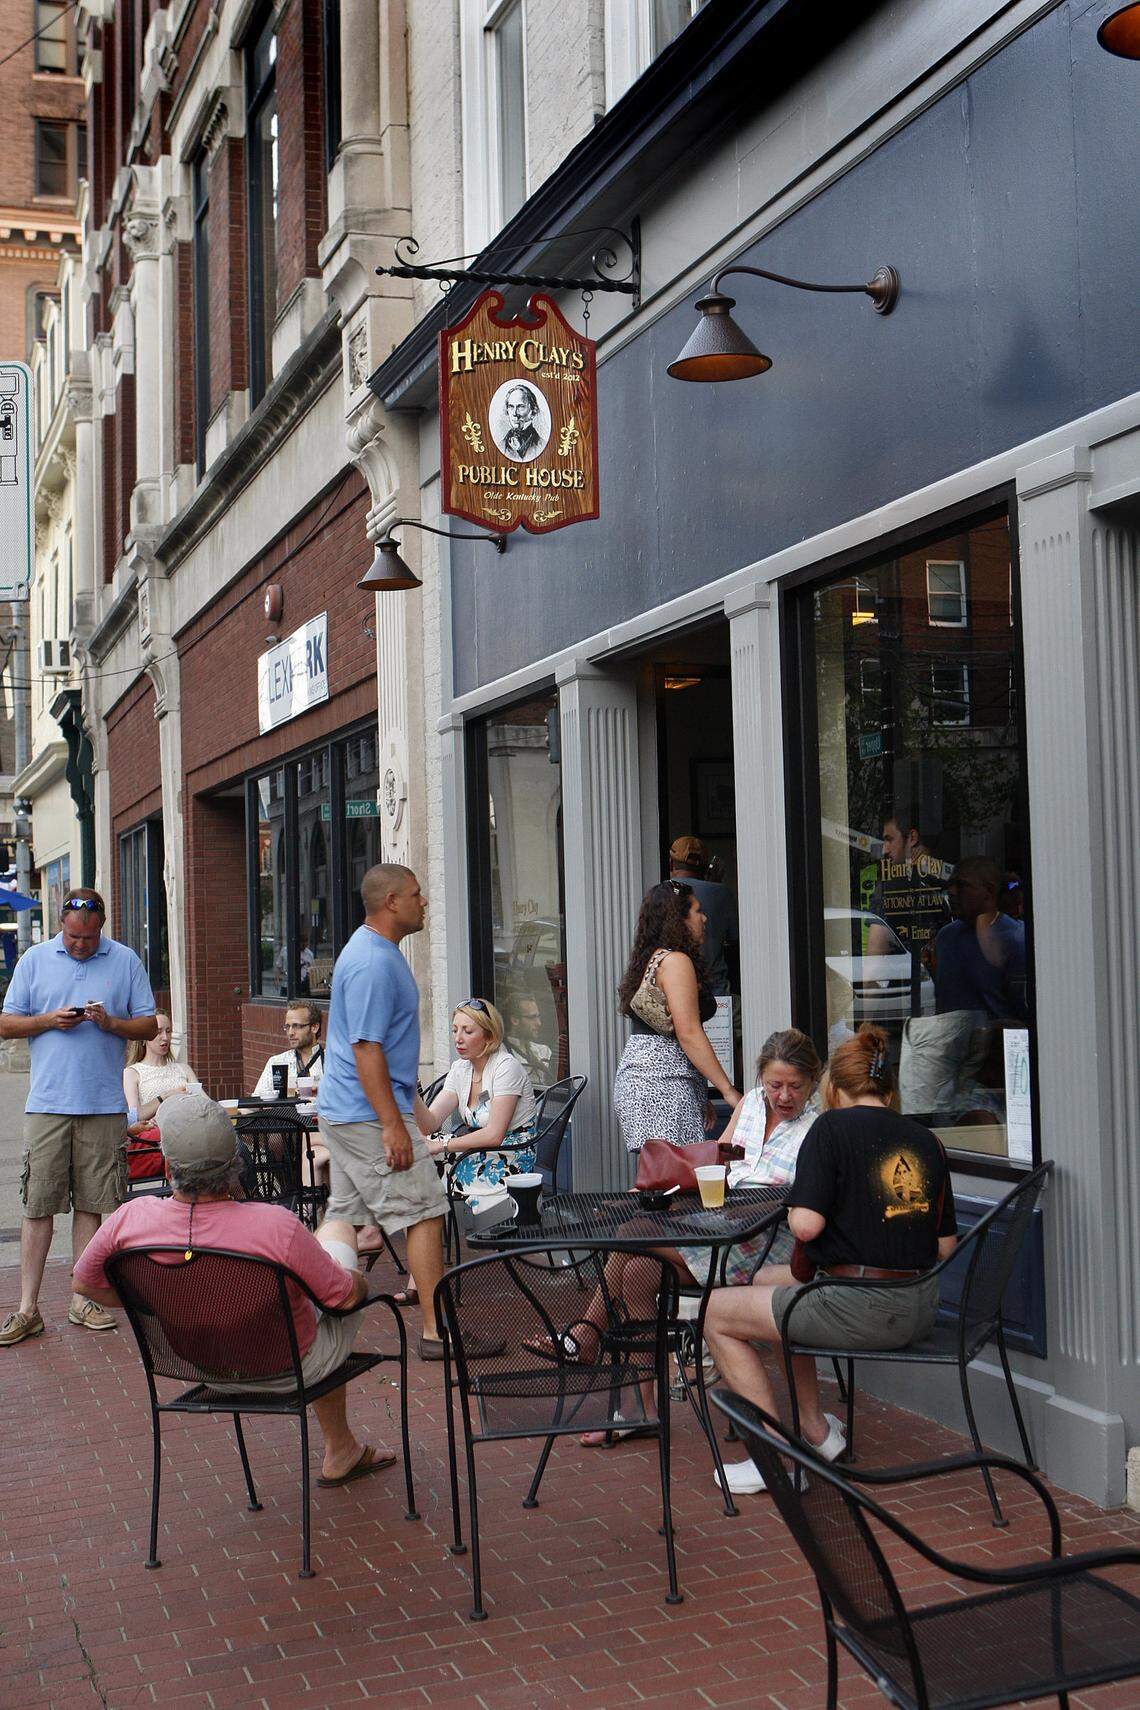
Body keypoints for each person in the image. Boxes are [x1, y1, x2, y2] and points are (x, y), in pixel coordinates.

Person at [71, 1092, 394, 1485]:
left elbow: (85, 1282)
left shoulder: (130, 1218)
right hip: (288, 1366)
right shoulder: (274, 1226)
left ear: (169, 1166)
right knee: (338, 1233)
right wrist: (357, 1277)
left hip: (199, 1364)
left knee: (310, 1288)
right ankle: (341, 1449)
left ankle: (342, 1448)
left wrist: (155, 1302)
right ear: (234, 1166)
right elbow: (342, 1298)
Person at [704, 1024, 957, 1495]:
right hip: (919, 1306)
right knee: (763, 1280)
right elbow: (945, 1248)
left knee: (714, 1311)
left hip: (861, 1306)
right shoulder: (926, 1140)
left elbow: (804, 1227)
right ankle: (815, 1429)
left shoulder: (829, 1128)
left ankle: (775, 1457)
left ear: (834, 1087)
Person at [552, 1029, 820, 1449]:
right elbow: (717, 1158)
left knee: (630, 1233)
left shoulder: (817, 1130)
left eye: (795, 1087)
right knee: (639, 1271)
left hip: (762, 1244)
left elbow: (806, 1207)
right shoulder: (750, 1103)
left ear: (813, 1082)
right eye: (774, 1084)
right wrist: (667, 1187)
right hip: (713, 1228)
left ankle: (588, 1333)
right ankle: (643, 1408)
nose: (783, 1096)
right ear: (761, 1080)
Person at [317, 864, 494, 1362]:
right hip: (367, 1116)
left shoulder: (372, 951)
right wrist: (394, 1124)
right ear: (392, 901)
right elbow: (366, 1048)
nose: (425, 902)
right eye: (417, 895)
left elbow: (383, 1049)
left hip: (352, 1111)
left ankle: (304, 1310)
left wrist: (410, 1108)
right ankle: (439, 1333)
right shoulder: (373, 963)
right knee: (427, 1211)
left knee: (347, 1215)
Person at [0, 888, 157, 1346]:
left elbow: (148, 1024)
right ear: (61, 925)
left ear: (101, 928)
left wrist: (111, 1024)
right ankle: (27, 1307)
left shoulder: (125, 960)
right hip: (47, 1103)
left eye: (88, 938)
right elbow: (6, 1023)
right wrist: (50, 1020)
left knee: (93, 1204)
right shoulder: (34, 959)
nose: (80, 945)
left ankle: (81, 1298)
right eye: (72, 936)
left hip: (104, 1104)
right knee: (37, 1205)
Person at [613, 880, 741, 1153]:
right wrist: (728, 1091)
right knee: (672, 1178)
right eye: (697, 911)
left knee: (663, 1177)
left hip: (655, 1080)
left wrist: (699, 1091)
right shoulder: (675, 961)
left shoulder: (655, 958)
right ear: (679, 920)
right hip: (662, 1083)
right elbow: (689, 1032)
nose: (704, 918)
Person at [420, 999, 539, 1189]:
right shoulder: (460, 1069)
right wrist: (408, 1091)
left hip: (508, 1158)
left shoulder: (506, 1067)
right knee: (406, 1162)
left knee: (427, 1176)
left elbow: (494, 1135)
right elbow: (430, 1123)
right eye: (455, 1030)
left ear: (489, 1036)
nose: (458, 1038)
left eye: (467, 1031)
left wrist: (441, 1145)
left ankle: (440, 1216)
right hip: (474, 1150)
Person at [934, 855, 1027, 1022]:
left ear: (989, 892)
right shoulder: (945, 938)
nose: (952, 892)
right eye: (952, 885)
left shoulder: (1016, 940)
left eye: (963, 886)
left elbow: (1024, 1014)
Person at [866, 815, 951, 965]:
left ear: (912, 838)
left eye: (889, 839)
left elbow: (874, 961)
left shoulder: (888, 888)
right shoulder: (948, 887)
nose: (884, 849)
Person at [667, 835, 739, 997]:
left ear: (671, 863)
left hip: (673, 991)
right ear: (706, 867)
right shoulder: (722, 893)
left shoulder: (659, 893)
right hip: (715, 993)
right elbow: (734, 940)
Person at [124, 1012, 201, 1126]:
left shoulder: (184, 1069)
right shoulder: (132, 1073)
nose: (165, 1037)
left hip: (190, 1130)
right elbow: (134, 1117)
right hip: (157, 1137)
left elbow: (205, 1103)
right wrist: (165, 1097)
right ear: (144, 1037)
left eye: (168, 1031)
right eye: (158, 1032)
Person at [252, 1000, 326, 1099]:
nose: (290, 1032)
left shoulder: (332, 1062)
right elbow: (255, 1103)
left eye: (296, 1026)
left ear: (314, 1027)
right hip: (282, 1114)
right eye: (287, 1027)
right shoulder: (276, 1062)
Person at [505, 991, 553, 1082]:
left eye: (538, 1017)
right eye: (532, 1017)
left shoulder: (544, 1051)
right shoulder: (500, 1053)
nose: (539, 1023)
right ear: (514, 1020)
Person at [499, 383, 544, 461]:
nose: (515, 413)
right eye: (511, 407)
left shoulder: (542, 445)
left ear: (533, 411)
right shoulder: (500, 445)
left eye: (520, 407)